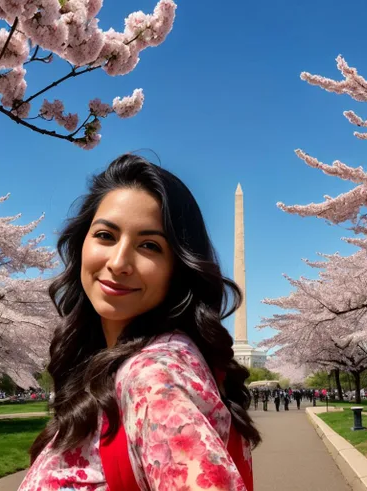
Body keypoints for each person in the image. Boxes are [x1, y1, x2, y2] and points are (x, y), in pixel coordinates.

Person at [19, 155, 260, 491]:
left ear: (179, 267)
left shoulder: (154, 375)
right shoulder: (137, 362)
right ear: (82, 243)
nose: (119, 263)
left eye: (149, 245)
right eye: (105, 235)